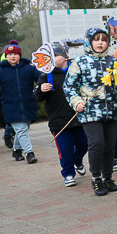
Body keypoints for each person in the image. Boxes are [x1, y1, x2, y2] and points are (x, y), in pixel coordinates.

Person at [64, 28, 117, 196]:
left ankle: (107, 177)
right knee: (97, 143)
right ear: (89, 42)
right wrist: (77, 102)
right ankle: (96, 178)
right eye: (96, 39)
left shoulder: (113, 62)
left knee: (110, 145)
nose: (100, 43)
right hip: (90, 111)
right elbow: (69, 87)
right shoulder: (80, 62)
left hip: (112, 111)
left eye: (104, 40)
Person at [35, 45, 87, 187]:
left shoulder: (77, 70)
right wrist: (41, 89)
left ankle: (77, 161)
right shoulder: (45, 75)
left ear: (65, 56)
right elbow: (37, 97)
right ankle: (68, 173)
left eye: (55, 55)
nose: (52, 59)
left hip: (80, 117)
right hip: (58, 120)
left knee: (84, 144)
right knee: (65, 150)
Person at [0, 41, 38, 164]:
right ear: (6, 56)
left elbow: (40, 79)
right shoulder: (1, 72)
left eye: (15, 54)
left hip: (28, 104)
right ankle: (29, 153)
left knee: (22, 130)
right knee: (21, 130)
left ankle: (16, 151)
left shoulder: (29, 69)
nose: (12, 56)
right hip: (10, 106)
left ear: (19, 55)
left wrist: (46, 76)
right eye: (9, 54)